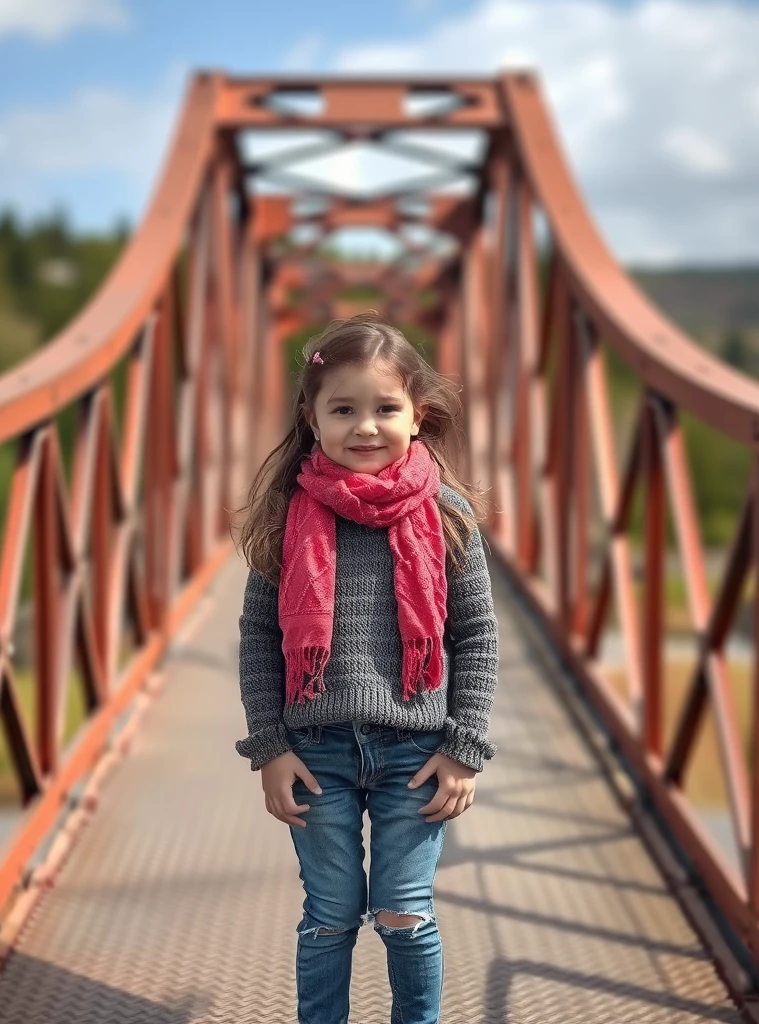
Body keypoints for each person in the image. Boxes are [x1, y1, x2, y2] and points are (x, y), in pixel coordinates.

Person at [232, 313, 499, 1024]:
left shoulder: (447, 515)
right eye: (343, 409)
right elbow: (259, 635)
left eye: (386, 409)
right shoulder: (288, 514)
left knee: (404, 912)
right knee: (328, 914)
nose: (366, 427)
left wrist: (463, 749)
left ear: (418, 417)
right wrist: (271, 747)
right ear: (311, 419)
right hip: (315, 751)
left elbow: (475, 636)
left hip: (417, 748)